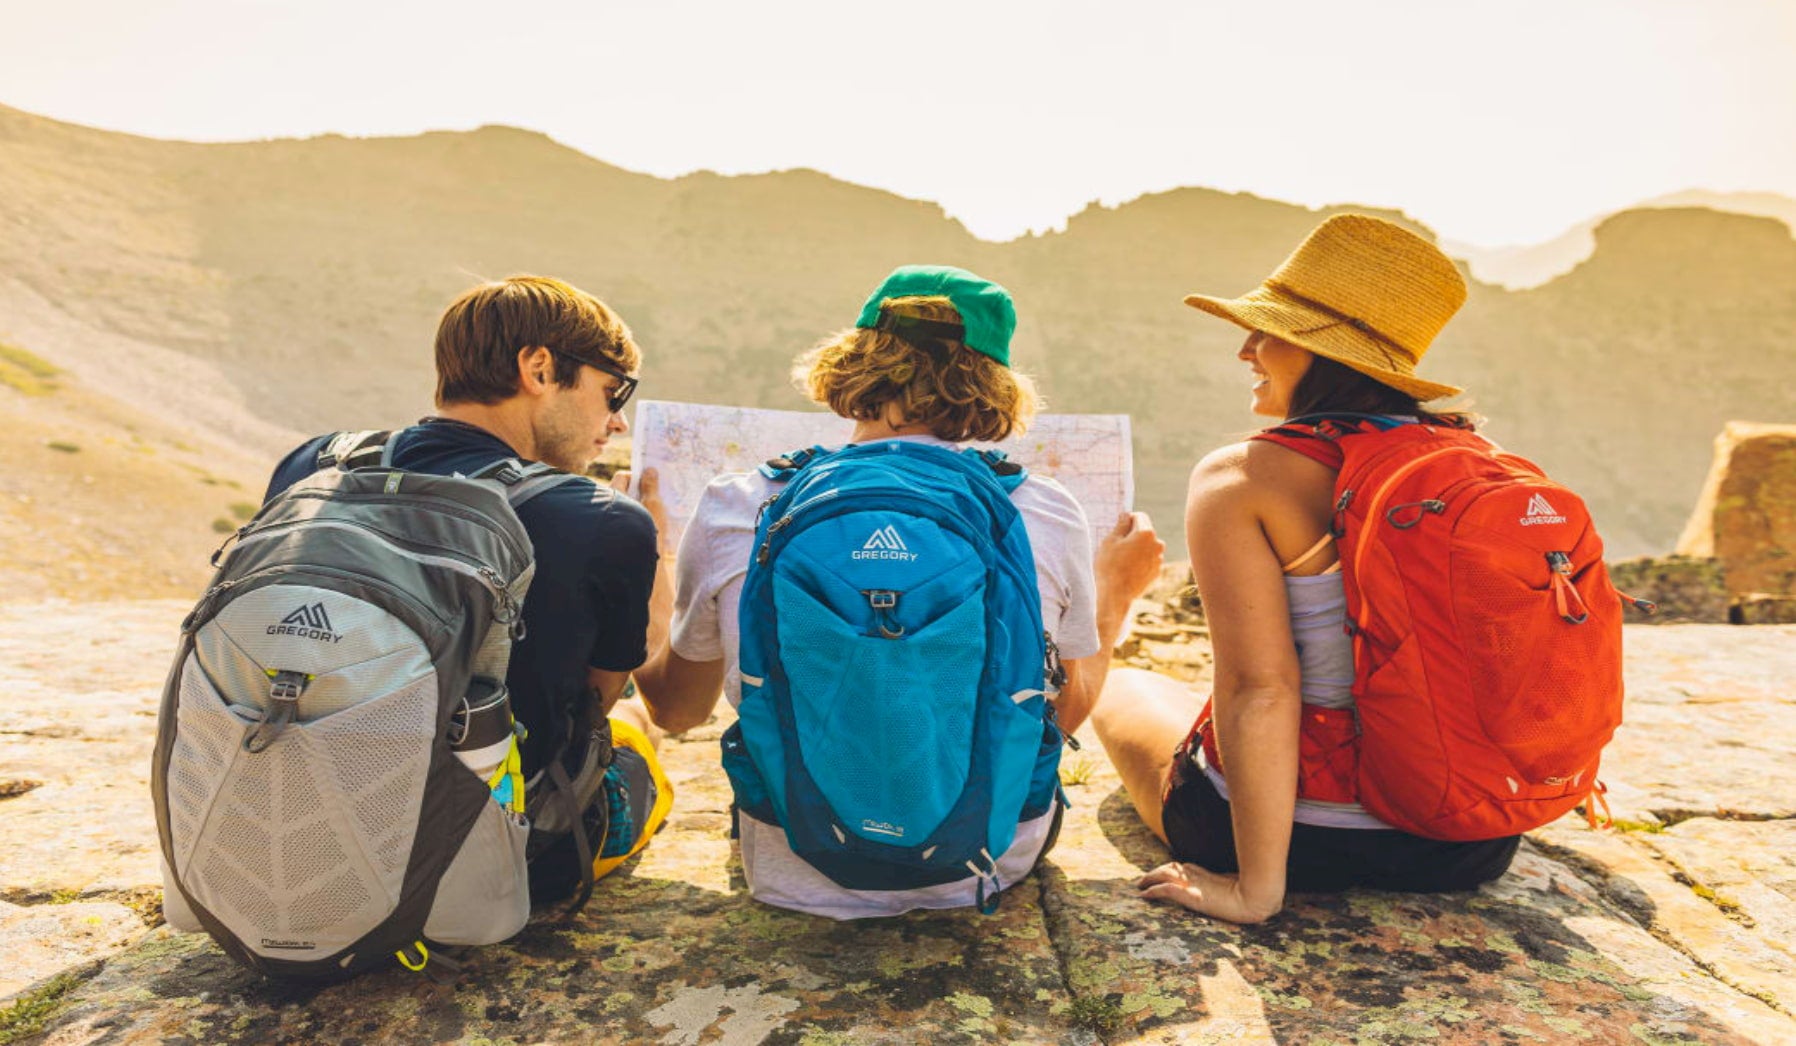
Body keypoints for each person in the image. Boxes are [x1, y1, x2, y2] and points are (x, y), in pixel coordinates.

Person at [632, 265, 1163, 917]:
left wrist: (651, 556)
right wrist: (1115, 596)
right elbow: (1061, 714)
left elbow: (676, 712)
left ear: (853, 362)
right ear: (994, 382)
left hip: (793, 867)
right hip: (987, 863)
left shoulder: (737, 504)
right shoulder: (1041, 511)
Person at [1091, 215, 1522, 925]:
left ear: (1323, 351)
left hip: (1308, 838)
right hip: (1465, 841)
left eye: (1267, 333)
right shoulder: (1483, 467)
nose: (1245, 351)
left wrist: (1254, 889)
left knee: (1130, 684)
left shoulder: (1243, 476)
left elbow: (1262, 688)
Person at [263, 275, 674, 901]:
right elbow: (596, 705)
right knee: (637, 725)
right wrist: (658, 550)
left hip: (295, 833)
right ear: (539, 368)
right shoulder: (601, 519)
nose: (616, 422)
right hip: (486, 870)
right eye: (612, 392)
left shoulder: (315, 464)